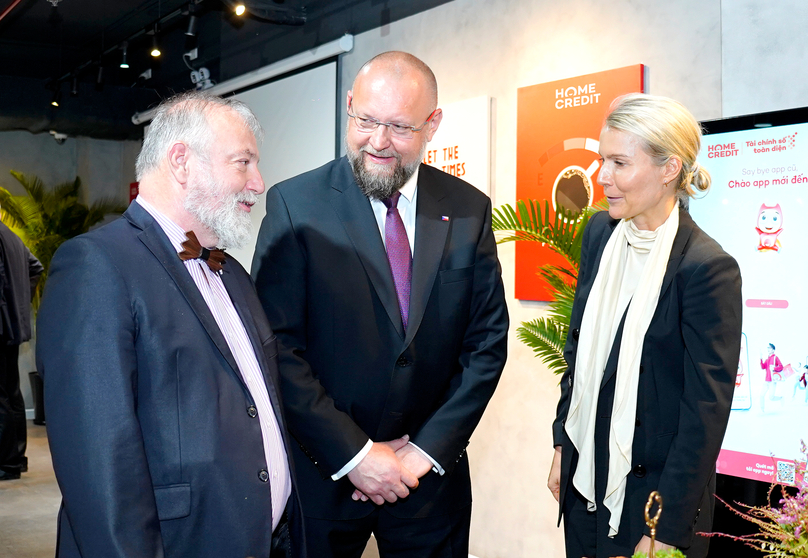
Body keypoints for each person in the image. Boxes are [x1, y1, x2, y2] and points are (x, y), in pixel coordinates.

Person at [251, 51, 508, 557]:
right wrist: (355, 454)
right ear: (349, 105)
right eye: (366, 120)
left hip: (430, 487)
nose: (379, 142)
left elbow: (486, 345)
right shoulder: (294, 206)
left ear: (433, 123)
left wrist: (424, 452)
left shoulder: (468, 209)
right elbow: (278, 346)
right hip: (324, 476)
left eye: (399, 127)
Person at [36, 92, 305, 558]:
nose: (258, 183)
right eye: (243, 163)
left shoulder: (232, 273)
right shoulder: (96, 265)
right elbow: (99, 465)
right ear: (181, 161)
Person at [547, 93, 743, 558]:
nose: (602, 177)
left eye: (618, 162)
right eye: (601, 160)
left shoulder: (707, 268)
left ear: (669, 168)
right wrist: (562, 443)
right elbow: (580, 354)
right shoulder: (602, 232)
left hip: (651, 502)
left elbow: (704, 414)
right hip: (585, 480)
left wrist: (666, 531)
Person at [0, 217, 43, 481]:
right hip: (10, 326)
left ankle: (8, 464)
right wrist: (19, 304)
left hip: (2, 327)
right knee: (10, 394)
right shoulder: (11, 236)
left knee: (4, 396)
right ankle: (15, 459)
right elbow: (35, 267)